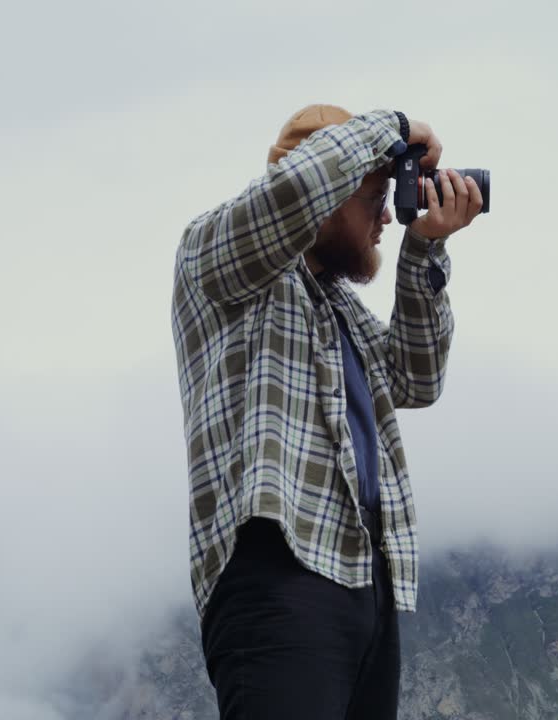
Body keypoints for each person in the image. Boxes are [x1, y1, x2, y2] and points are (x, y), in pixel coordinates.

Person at [170, 103, 484, 719]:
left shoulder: (342, 311)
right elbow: (291, 192)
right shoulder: (220, 262)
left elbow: (418, 381)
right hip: (276, 572)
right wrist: (391, 129)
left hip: (366, 585)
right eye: (374, 196)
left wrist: (425, 249)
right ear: (329, 190)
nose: (388, 214)